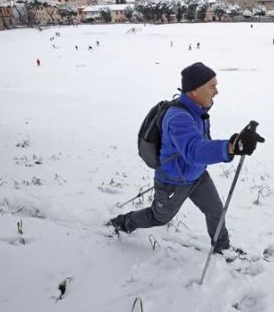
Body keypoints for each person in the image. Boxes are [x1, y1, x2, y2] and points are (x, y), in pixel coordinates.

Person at [108, 62, 264, 254]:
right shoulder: (178, 118)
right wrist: (231, 147)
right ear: (194, 91)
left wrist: (230, 146)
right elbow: (194, 150)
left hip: (197, 176)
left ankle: (222, 248)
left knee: (215, 211)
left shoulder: (198, 112)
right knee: (159, 217)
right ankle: (121, 223)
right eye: (212, 86)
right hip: (172, 182)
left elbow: (201, 144)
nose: (216, 92)